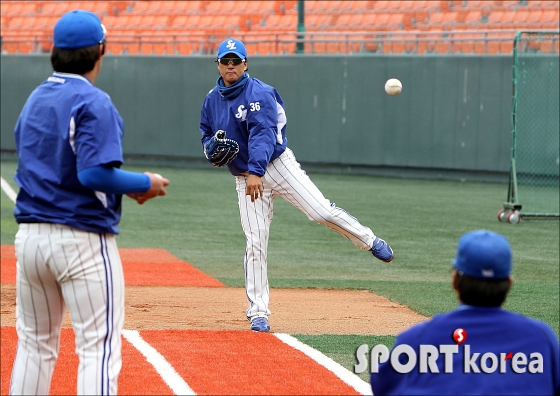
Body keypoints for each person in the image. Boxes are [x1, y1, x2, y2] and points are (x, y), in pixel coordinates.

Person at [9, 10, 169, 395]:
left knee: (34, 347)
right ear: (101, 50)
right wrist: (143, 182)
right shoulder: (92, 100)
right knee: (97, 349)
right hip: (80, 240)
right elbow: (92, 175)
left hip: (29, 240)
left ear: (54, 51)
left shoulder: (34, 99)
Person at [199, 38, 393, 333]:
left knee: (320, 212)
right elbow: (206, 134)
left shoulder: (260, 94)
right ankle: (258, 312)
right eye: (225, 61)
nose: (230, 66)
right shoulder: (212, 99)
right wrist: (209, 148)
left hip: (278, 167)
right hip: (245, 180)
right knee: (255, 243)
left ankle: (368, 240)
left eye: (235, 61)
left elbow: (263, 135)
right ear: (218, 65)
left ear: (245, 64)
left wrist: (255, 170)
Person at [370, 230, 560, 395]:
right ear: (509, 284)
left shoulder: (417, 339)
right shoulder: (541, 339)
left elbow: (381, 386)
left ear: (455, 281)